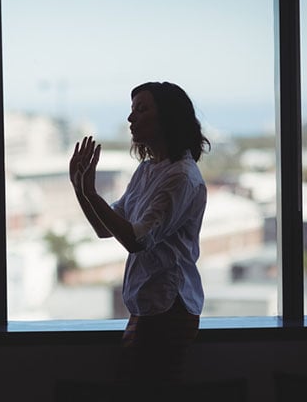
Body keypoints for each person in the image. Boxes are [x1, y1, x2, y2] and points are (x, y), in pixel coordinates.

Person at [69, 81, 209, 385]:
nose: (131, 119)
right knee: (141, 401)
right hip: (150, 307)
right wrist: (81, 189)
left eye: (142, 110)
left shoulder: (181, 177)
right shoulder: (148, 170)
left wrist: (90, 193)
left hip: (168, 307)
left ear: (168, 117)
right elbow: (105, 229)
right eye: (132, 110)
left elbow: (137, 240)